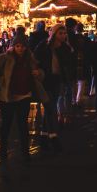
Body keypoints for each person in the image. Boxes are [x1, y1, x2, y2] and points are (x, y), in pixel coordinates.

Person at [0, 33, 44, 160]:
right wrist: (2, 81)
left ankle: (25, 151)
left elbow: (40, 73)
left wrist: (38, 73)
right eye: (17, 46)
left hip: (24, 95)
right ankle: (3, 152)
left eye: (22, 46)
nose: (20, 49)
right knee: (6, 124)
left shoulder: (30, 58)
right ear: (13, 46)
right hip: (8, 97)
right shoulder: (5, 58)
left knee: (22, 124)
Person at [34, 24, 69, 152]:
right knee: (51, 108)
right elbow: (35, 59)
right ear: (54, 34)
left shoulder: (64, 47)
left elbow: (66, 64)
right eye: (60, 33)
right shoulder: (44, 46)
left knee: (51, 106)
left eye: (64, 33)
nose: (63, 36)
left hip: (57, 80)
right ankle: (53, 136)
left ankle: (44, 136)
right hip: (45, 80)